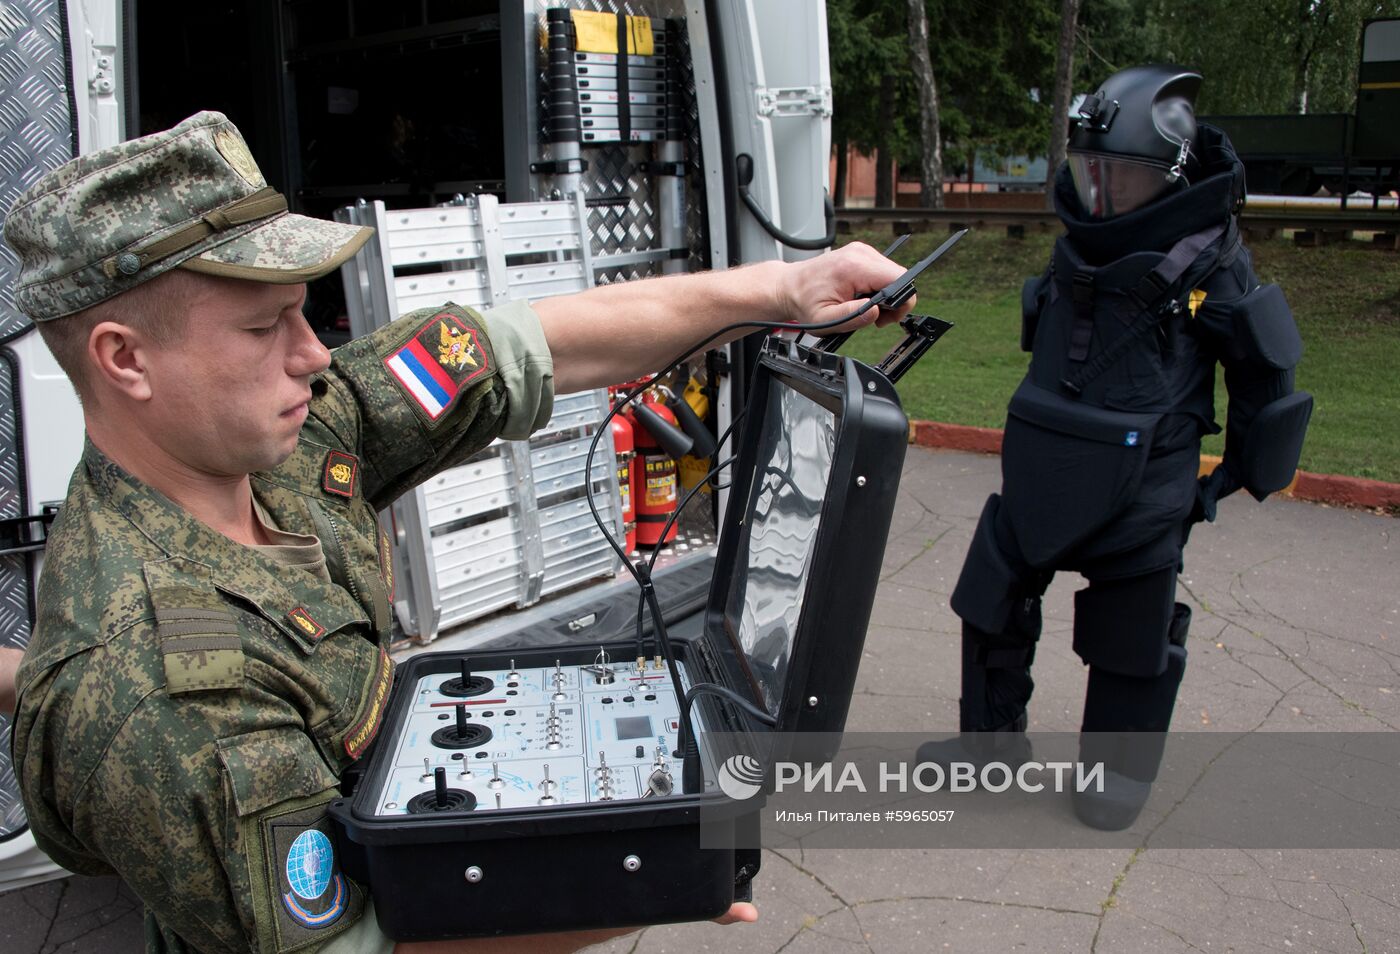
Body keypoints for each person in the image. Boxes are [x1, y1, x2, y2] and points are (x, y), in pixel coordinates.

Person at [2, 111, 914, 954]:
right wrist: (656, 880)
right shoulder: (162, 702)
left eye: (301, 309)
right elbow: (371, 944)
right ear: (125, 359)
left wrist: (782, 288)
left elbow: (521, 347)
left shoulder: (276, 434)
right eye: (260, 325)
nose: (314, 351)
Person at [919, 66, 1312, 829]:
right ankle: (991, 747)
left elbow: (1268, 372)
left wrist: (1234, 476)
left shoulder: (1211, 258)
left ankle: (1115, 774)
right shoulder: (1080, 245)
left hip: (1146, 481)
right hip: (1044, 463)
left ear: (1168, 174)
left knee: (1129, 634)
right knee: (990, 599)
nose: (1098, 192)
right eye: (1086, 172)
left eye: (1118, 176)